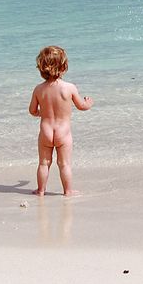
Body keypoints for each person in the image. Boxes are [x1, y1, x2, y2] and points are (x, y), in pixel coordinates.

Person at [29, 46, 93, 196]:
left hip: (46, 131)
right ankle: (68, 190)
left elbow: (32, 110)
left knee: (44, 163)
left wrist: (41, 113)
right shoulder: (69, 88)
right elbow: (81, 106)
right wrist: (88, 103)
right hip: (63, 133)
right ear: (64, 66)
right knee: (64, 164)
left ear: (41, 68)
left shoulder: (39, 89)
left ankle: (41, 190)